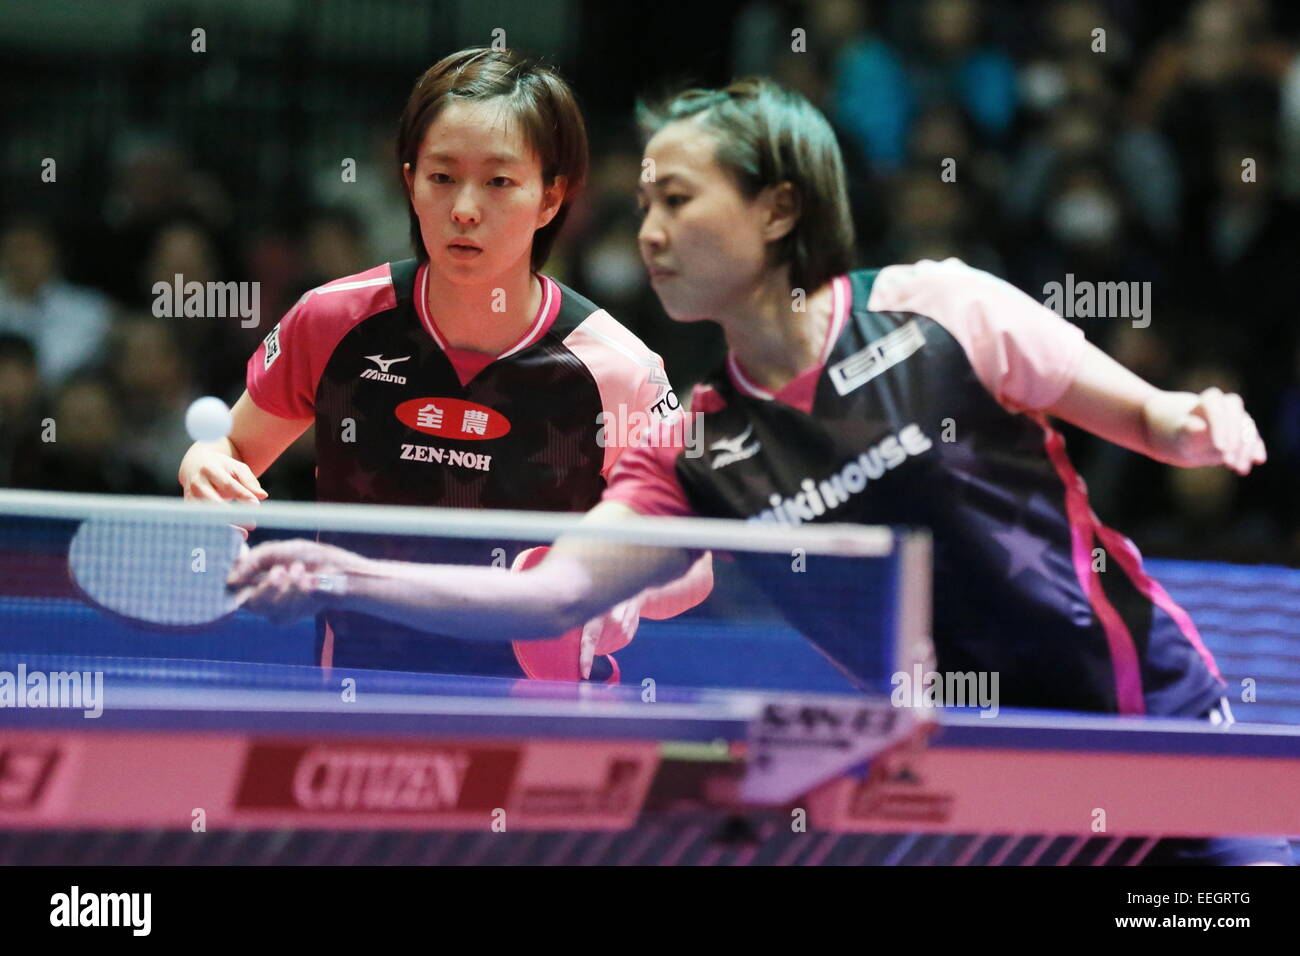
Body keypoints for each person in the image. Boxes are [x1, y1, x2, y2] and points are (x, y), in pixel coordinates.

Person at [230, 78, 1285, 865]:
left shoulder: (940, 308)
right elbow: (543, 590)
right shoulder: (688, 450)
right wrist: (341, 574)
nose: (649, 232)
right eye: (644, 204)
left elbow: (1146, 416)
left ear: (778, 209)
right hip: (962, 780)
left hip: (1152, 723)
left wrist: (1198, 422)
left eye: (680, 200)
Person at [179, 47, 709, 681]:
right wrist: (206, 467)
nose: (464, 207)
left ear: (551, 198)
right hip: (356, 699)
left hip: (548, 718)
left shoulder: (617, 369)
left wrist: (611, 588)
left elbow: (695, 564)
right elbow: (233, 451)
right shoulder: (332, 321)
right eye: (441, 177)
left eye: (499, 182)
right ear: (409, 182)